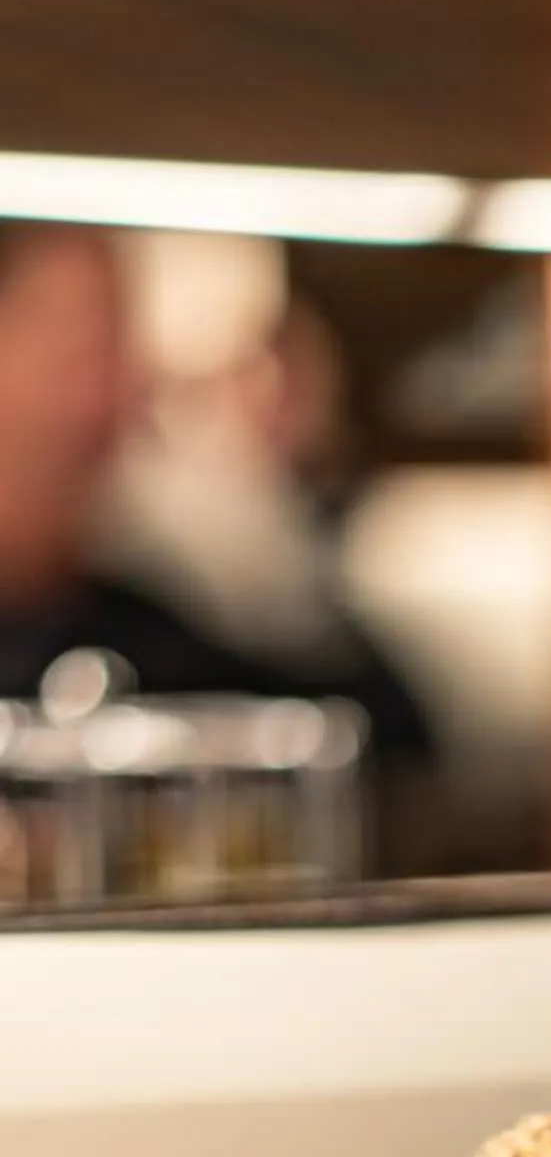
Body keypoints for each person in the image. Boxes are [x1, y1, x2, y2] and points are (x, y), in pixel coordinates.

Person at [0, 223, 433, 763]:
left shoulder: (144, 636)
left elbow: (386, 738)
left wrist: (262, 522)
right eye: (74, 348)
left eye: (117, 349)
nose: (109, 395)